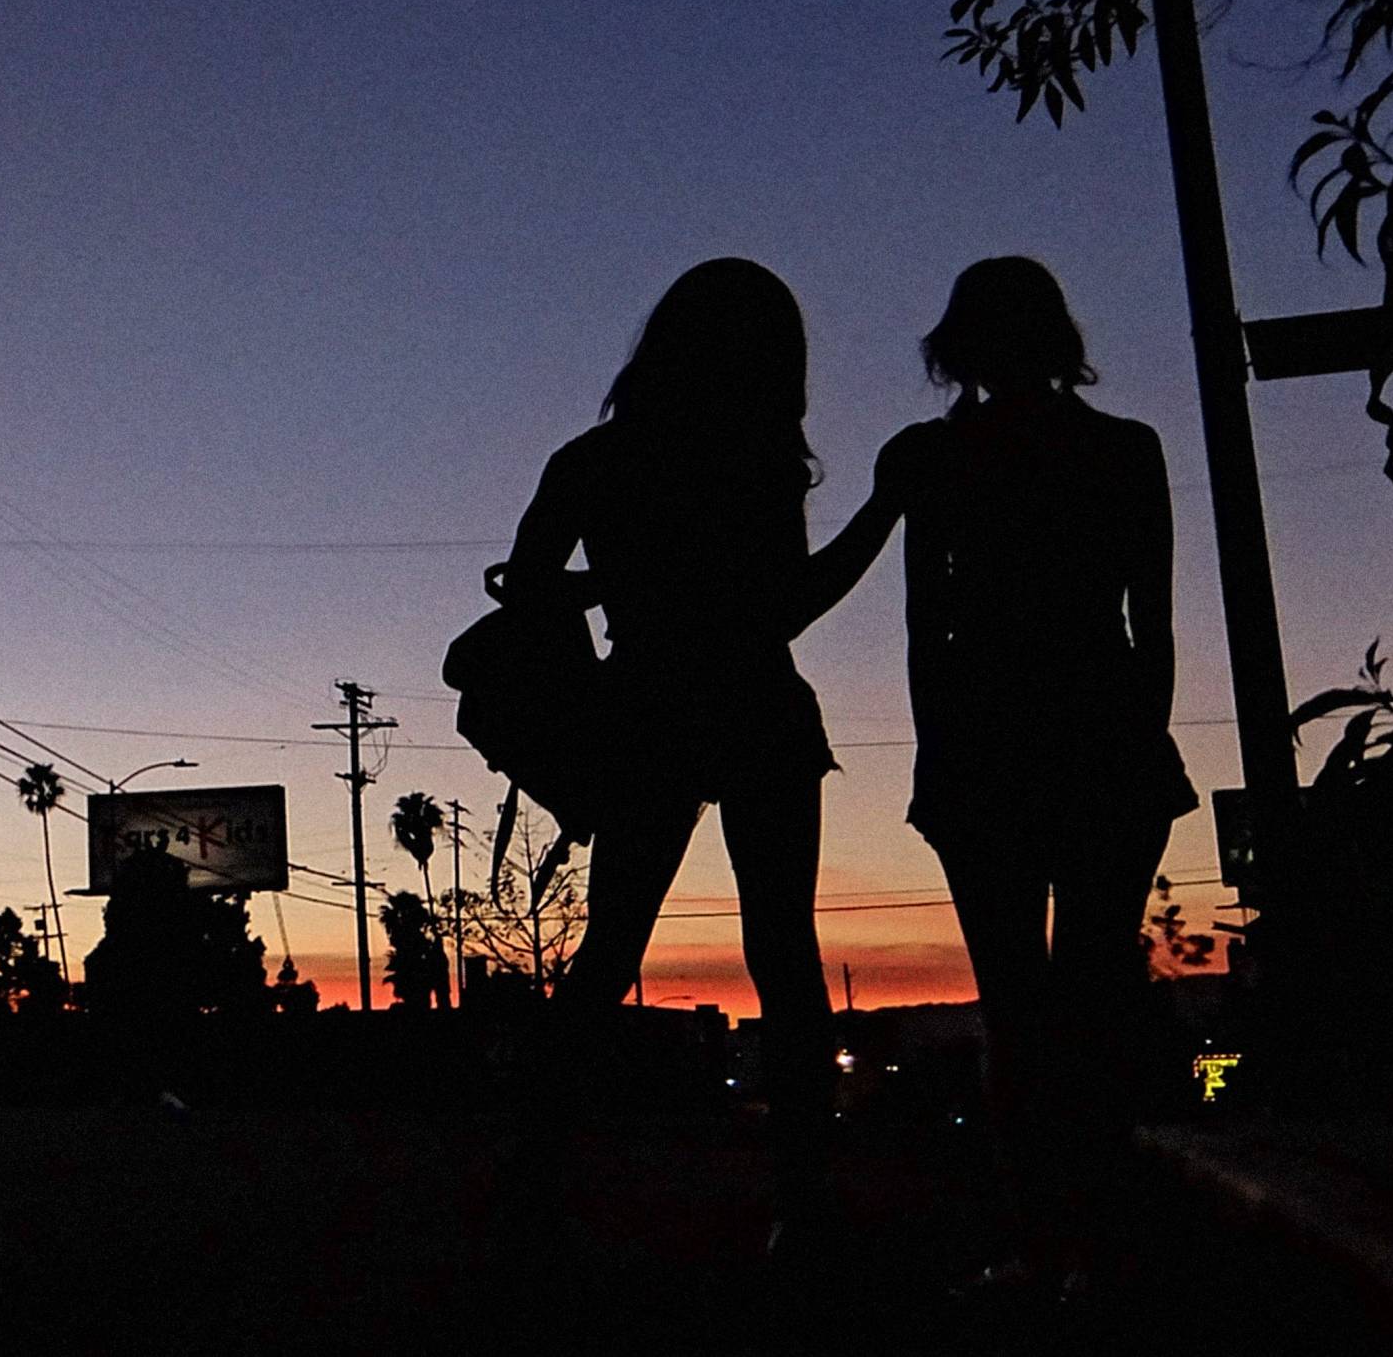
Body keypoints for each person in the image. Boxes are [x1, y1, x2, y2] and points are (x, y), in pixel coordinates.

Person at [501, 257, 899, 1250]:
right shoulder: (754, 461)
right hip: (756, 705)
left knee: (608, 949)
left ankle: (535, 1178)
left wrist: (610, 601)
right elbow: (785, 606)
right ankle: (799, 1200)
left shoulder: (592, 461)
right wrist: (881, 512)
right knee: (782, 954)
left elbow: (524, 592)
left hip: (645, 709)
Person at [881, 256, 1198, 1295]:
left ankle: (1037, 1238)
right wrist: (1137, 734)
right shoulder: (1120, 448)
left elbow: (927, 627)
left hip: (986, 746)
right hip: (1097, 731)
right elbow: (1145, 620)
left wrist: (939, 753)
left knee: (1016, 1006)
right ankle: (1096, 1237)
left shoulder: (938, 459)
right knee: (1091, 997)